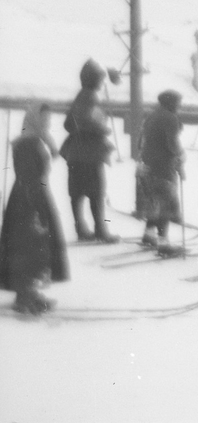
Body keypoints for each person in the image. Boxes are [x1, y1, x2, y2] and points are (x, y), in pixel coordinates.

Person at [0, 111, 69, 314]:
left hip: (31, 194)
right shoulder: (28, 144)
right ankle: (25, 295)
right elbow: (30, 174)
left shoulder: (32, 139)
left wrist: (48, 141)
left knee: (35, 246)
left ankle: (29, 292)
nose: (47, 124)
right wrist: (37, 207)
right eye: (44, 120)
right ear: (35, 121)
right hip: (29, 198)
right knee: (29, 245)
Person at [60, 59, 118, 242]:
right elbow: (88, 122)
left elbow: (68, 123)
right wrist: (103, 129)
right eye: (101, 79)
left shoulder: (79, 96)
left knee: (77, 194)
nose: (103, 83)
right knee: (97, 193)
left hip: (75, 154)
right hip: (91, 155)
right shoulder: (92, 97)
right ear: (94, 79)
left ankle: (80, 229)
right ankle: (100, 230)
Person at [137, 90, 187, 253]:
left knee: (154, 202)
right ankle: (164, 243)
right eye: (178, 103)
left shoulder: (151, 116)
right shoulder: (170, 118)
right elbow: (172, 143)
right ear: (171, 103)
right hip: (163, 166)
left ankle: (149, 235)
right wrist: (181, 155)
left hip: (146, 165)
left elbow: (140, 141)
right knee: (165, 202)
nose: (180, 106)